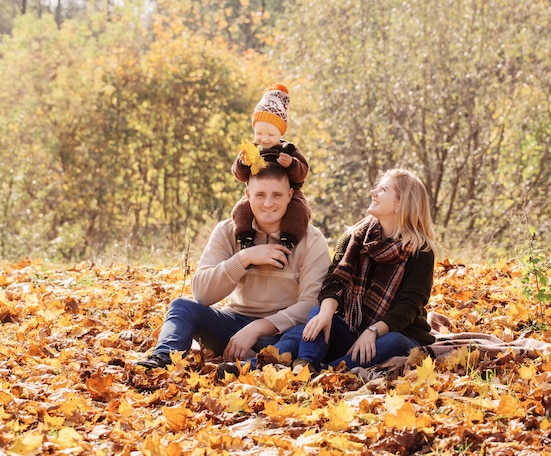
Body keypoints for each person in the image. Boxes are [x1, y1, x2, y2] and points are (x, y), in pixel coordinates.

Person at [133, 162, 330, 370]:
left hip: (283, 330)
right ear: (247, 194)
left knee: (308, 331)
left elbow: (311, 303)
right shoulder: (227, 231)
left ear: (290, 195)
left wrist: (258, 327)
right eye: (260, 194)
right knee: (182, 306)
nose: (268, 203)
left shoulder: (312, 239)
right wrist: (244, 258)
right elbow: (202, 294)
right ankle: (161, 359)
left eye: (277, 195)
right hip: (234, 325)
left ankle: (252, 366)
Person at [291, 168, 437, 375]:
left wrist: (373, 331)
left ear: (400, 203)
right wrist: (326, 313)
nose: (373, 193)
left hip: (393, 333)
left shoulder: (420, 252)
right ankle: (304, 365)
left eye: (383, 190)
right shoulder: (354, 238)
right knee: (319, 313)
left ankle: (327, 373)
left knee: (394, 341)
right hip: (351, 328)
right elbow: (334, 282)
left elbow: (408, 305)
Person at [231, 83, 311, 250]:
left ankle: (288, 239)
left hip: (289, 193)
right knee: (240, 209)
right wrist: (243, 163)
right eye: (259, 134)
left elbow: (303, 172)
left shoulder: (288, 149)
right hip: (257, 193)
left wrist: (291, 164)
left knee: (300, 211)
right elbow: (238, 174)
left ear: (280, 133)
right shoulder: (252, 149)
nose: (264, 139)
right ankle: (245, 238)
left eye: (270, 134)